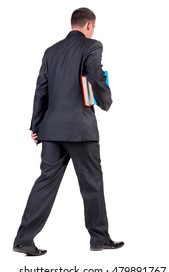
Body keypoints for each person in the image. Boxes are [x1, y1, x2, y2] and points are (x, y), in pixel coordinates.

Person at [13, 7, 124, 256]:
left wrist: (36, 126)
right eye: (93, 27)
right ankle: (99, 239)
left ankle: (22, 240)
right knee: (92, 184)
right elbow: (96, 75)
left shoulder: (50, 51)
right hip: (80, 130)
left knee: (45, 183)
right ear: (88, 26)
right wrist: (106, 101)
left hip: (51, 130)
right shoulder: (92, 45)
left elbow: (41, 89)